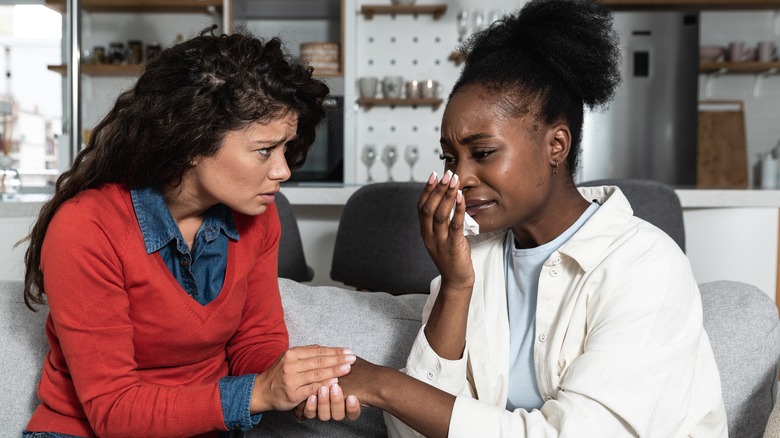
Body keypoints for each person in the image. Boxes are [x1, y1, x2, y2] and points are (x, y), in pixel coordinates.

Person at [336, 0, 728, 436]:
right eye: (449, 157)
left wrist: (384, 385)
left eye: (482, 153)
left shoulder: (646, 265)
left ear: (556, 145)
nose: (458, 177)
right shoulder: (474, 264)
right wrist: (455, 284)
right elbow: (411, 431)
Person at [21, 27, 359, 437]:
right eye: (264, 149)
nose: (283, 170)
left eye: (286, 148)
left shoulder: (259, 217)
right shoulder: (86, 228)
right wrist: (258, 393)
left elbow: (255, 341)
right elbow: (113, 411)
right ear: (194, 141)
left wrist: (300, 388)